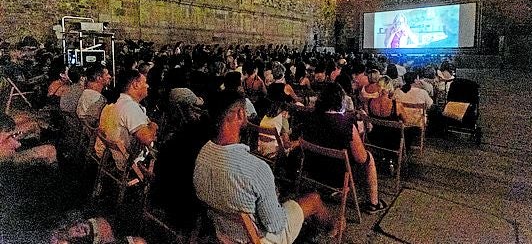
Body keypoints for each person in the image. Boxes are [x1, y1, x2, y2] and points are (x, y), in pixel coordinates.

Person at [193, 90, 340, 244]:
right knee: (313, 199)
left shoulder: (203, 154)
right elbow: (276, 225)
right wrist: (275, 202)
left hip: (224, 232)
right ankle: (334, 227)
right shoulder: (256, 168)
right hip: (256, 238)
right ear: (240, 114)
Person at [303, 82, 387, 214]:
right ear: (340, 99)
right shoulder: (346, 124)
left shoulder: (310, 118)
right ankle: (373, 202)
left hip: (314, 171)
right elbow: (361, 159)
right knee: (369, 158)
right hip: (338, 177)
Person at [95, 69, 158, 170]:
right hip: (132, 163)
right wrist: (154, 125)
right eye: (145, 82)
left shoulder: (113, 104)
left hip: (115, 159)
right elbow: (147, 138)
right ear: (135, 85)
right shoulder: (129, 107)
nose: (148, 86)